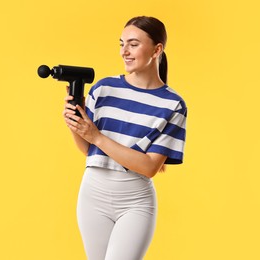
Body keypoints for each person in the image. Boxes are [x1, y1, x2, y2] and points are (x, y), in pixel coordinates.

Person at [63, 16, 187, 260]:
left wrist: (97, 137)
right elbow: (89, 150)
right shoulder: (103, 88)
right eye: (122, 44)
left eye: (133, 44)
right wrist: (75, 124)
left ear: (157, 49)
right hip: (92, 193)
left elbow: (149, 166)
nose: (124, 52)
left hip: (135, 201)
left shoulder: (173, 104)